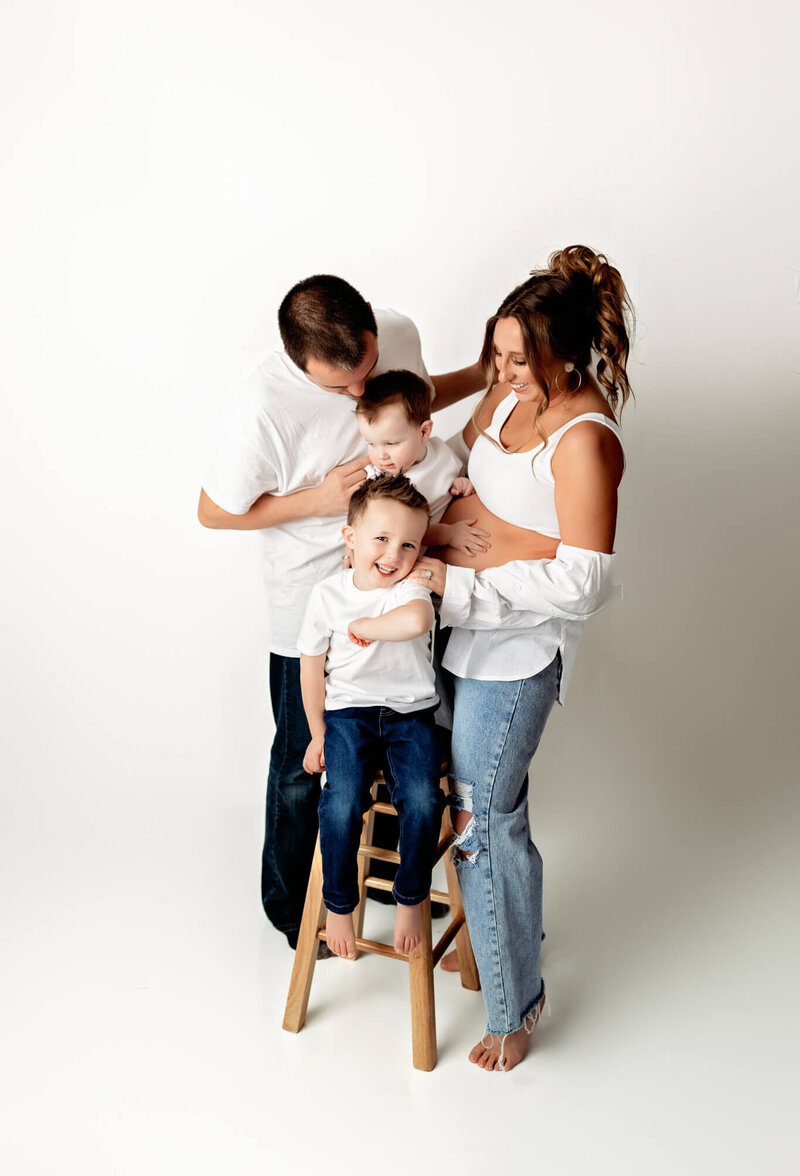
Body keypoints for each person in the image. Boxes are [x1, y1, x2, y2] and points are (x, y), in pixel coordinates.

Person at [198, 274, 482, 948]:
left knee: (403, 737)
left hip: (400, 582)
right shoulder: (260, 407)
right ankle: (294, 908)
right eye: (341, 386)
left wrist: (482, 374)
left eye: (368, 370)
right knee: (307, 762)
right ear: (299, 360)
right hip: (313, 602)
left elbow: (409, 401)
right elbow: (214, 510)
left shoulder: (397, 334)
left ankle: (386, 881)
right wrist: (321, 500)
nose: (360, 393)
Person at [408, 244, 634, 1072]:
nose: (504, 374)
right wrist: (481, 536)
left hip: (513, 655)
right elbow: (457, 469)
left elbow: (585, 580)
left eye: (520, 360)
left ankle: (513, 1006)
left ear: (566, 355)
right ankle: (510, 934)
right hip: (453, 632)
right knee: (486, 813)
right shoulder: (504, 401)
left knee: (481, 819)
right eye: (498, 356)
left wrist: (486, 561)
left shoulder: (582, 439)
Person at [297, 474, 446, 958]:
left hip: (410, 716)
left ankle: (409, 895)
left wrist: (366, 625)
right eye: (381, 539)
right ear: (351, 537)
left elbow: (417, 622)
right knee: (341, 804)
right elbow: (311, 667)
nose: (394, 555)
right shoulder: (327, 596)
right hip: (347, 715)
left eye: (408, 544)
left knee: (422, 801)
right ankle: (339, 904)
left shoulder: (409, 589)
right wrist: (317, 732)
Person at [356, 369, 490, 557]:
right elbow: (401, 534)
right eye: (371, 443)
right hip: (395, 561)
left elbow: (449, 476)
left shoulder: (442, 453)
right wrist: (449, 534)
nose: (380, 455)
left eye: (391, 443)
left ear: (424, 432)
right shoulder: (379, 483)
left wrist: (459, 484)